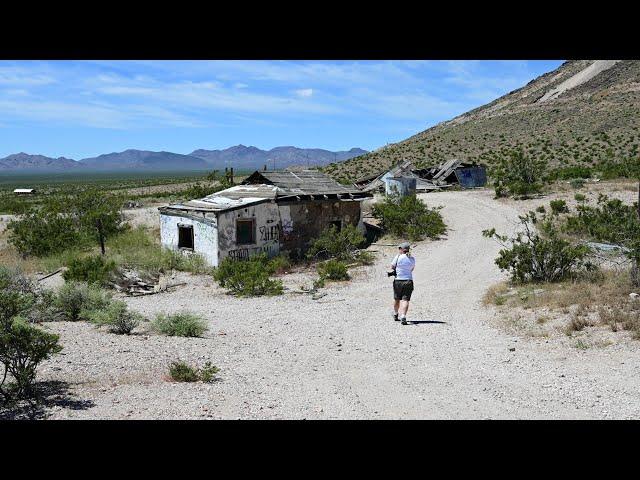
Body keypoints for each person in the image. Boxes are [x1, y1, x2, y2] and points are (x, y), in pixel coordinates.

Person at [390, 242, 415, 325]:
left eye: (399, 248)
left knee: (396, 299)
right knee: (405, 300)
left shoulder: (397, 257)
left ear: (402, 249)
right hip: (408, 280)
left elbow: (392, 267)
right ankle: (403, 316)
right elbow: (411, 269)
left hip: (398, 280)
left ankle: (395, 314)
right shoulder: (412, 258)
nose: (399, 250)